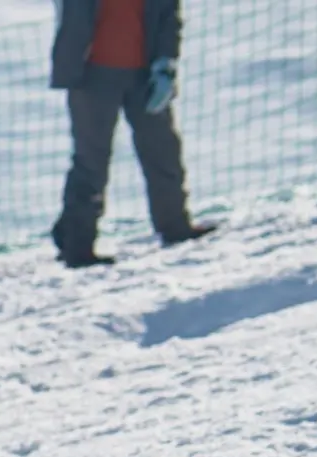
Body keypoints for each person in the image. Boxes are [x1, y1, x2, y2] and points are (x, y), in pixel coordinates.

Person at [49, 0, 214, 268]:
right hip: (90, 75)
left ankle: (175, 227)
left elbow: (169, 16)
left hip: (144, 74)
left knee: (162, 150)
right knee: (91, 161)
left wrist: (166, 64)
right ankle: (77, 246)